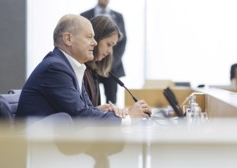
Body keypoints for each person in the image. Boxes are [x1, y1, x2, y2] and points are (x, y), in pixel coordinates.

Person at [16, 14, 151, 123]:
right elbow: (80, 115)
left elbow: (86, 109)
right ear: (68, 39)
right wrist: (128, 118)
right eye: (89, 37)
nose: (95, 42)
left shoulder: (72, 66)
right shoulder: (55, 68)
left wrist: (104, 111)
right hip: (34, 150)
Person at [81, 0, 127, 104]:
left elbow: (122, 43)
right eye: (108, 45)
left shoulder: (118, 16)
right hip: (92, 63)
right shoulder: (84, 16)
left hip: (112, 67)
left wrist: (110, 63)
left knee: (111, 101)